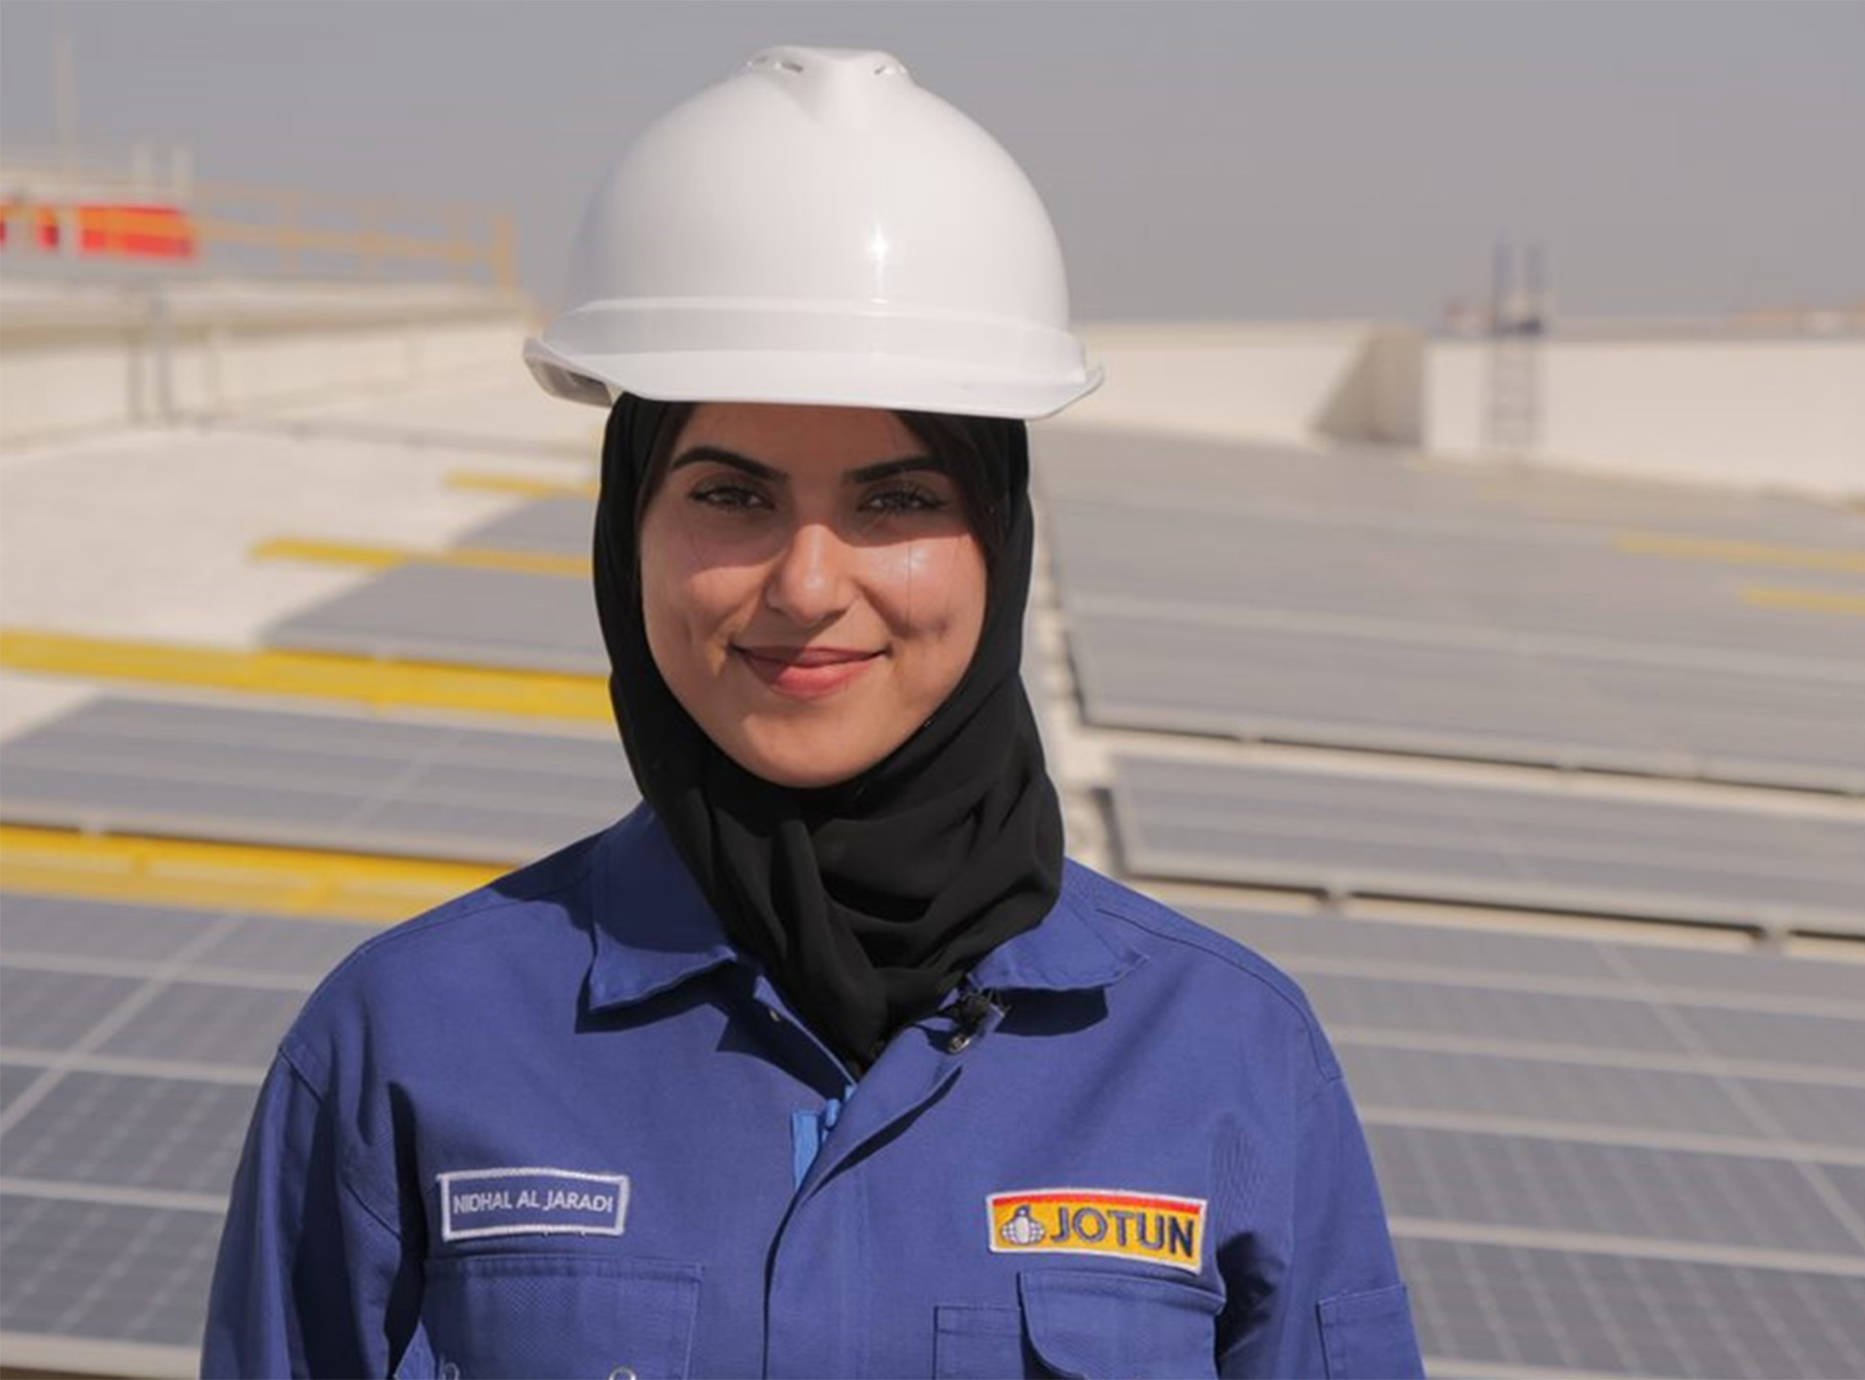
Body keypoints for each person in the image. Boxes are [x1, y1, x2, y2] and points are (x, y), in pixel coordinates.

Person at [202, 44, 1423, 1378]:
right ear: (628, 535)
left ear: (999, 542)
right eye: (731, 496)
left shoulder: (1224, 1057)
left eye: (899, 501)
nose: (807, 582)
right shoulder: (408, 1041)